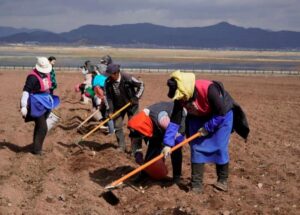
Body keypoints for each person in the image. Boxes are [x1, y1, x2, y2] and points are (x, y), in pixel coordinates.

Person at [162, 70, 249, 193]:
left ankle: (222, 181)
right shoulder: (180, 97)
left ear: (186, 90)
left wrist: (208, 127)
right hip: (197, 116)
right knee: (196, 146)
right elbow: (175, 120)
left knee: (220, 146)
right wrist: (167, 143)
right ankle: (196, 184)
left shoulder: (209, 90)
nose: (181, 99)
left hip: (221, 116)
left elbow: (221, 113)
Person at [127, 101, 186, 183]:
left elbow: (174, 134)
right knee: (153, 146)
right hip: (157, 126)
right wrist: (137, 153)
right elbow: (136, 138)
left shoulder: (162, 120)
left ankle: (176, 177)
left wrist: (167, 146)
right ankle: (144, 174)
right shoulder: (139, 123)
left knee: (176, 148)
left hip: (178, 118)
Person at [20, 57, 60, 155]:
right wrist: (24, 106)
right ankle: (37, 150)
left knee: (39, 125)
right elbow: (26, 91)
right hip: (35, 103)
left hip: (45, 102)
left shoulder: (46, 74)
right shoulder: (32, 77)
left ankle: (35, 146)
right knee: (43, 127)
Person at [105, 64, 144, 152]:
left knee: (134, 126)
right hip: (118, 106)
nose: (108, 77)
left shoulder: (127, 78)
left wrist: (136, 97)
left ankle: (136, 150)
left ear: (116, 73)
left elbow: (141, 85)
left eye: (110, 75)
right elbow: (109, 98)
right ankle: (121, 147)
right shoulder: (107, 82)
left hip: (131, 105)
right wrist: (110, 111)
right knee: (117, 126)